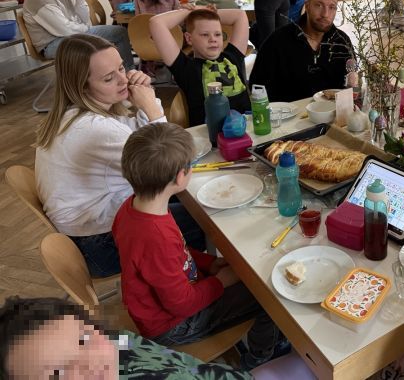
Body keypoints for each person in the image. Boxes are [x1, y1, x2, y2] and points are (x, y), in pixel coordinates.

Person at [113, 123, 284, 367]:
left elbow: (177, 253)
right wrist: (220, 281)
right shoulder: (155, 237)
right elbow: (181, 304)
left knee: (249, 278)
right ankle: (261, 357)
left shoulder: (135, 207)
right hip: (172, 325)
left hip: (169, 301)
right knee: (267, 295)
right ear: (180, 177)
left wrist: (210, 263)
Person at [34, 34, 204, 277]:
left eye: (122, 68)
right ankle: (189, 283)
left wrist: (145, 101)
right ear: (82, 86)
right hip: (97, 246)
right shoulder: (95, 129)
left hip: (89, 228)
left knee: (191, 200)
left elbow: (138, 137)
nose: (123, 80)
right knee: (205, 218)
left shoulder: (76, 113)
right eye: (108, 78)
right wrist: (151, 108)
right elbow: (168, 164)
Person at [0, 296, 314, 379]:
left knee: (314, 358)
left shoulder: (114, 343)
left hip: (225, 374)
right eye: (56, 374)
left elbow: (134, 345)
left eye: (83, 341)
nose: (86, 364)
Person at [249, 0, 354, 102]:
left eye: (332, 7)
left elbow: (352, 80)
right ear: (307, 6)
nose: (325, 14)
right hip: (288, 112)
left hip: (333, 111)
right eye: (318, 5)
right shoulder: (278, 41)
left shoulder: (342, 42)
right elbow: (257, 87)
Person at [150, 8, 251, 126]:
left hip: (249, 127)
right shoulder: (185, 67)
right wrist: (190, 11)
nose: (213, 39)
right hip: (211, 134)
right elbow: (156, 23)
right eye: (205, 35)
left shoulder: (232, 56)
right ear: (189, 38)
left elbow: (240, 15)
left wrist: (203, 9)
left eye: (218, 34)